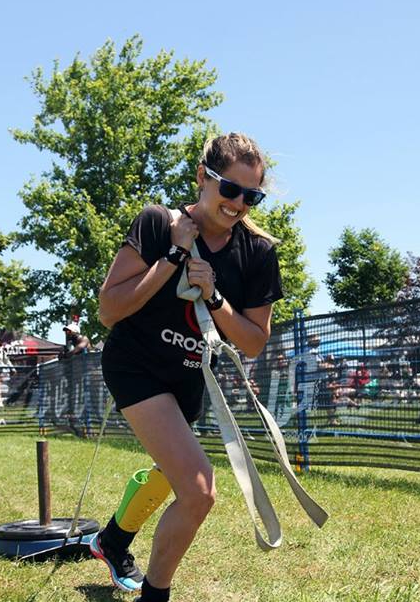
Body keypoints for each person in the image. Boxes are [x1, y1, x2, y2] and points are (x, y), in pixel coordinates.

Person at [95, 132, 282, 602]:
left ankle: (112, 540)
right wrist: (174, 256)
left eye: (251, 195)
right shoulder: (158, 222)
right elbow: (109, 309)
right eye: (230, 189)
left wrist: (216, 298)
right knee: (199, 490)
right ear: (203, 177)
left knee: (171, 470)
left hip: (190, 374)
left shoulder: (258, 253)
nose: (239, 203)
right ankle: (154, 596)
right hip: (135, 365)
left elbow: (255, 342)